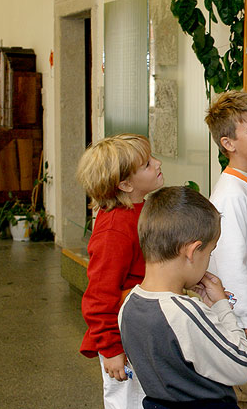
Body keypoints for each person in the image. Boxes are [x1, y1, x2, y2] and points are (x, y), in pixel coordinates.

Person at [118, 186, 247, 409]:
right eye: (210, 252)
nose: (209, 260)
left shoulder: (129, 306)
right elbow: (242, 364)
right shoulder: (184, 313)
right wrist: (221, 306)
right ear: (192, 251)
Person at [76, 133, 164, 409]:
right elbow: (99, 296)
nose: (158, 163)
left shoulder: (139, 209)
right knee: (129, 401)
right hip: (124, 339)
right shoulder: (115, 230)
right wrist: (111, 349)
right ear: (126, 184)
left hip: (142, 330)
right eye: (148, 164)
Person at [204, 91, 247, 409]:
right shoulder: (231, 195)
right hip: (242, 328)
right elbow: (231, 265)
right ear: (227, 143)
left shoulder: (246, 183)